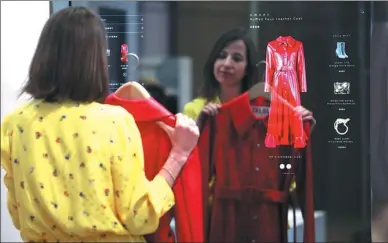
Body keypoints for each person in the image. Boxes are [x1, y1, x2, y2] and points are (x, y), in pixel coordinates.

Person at [0, 7, 199, 243]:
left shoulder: (14, 125)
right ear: (95, 59)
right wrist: (178, 154)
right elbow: (139, 216)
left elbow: (17, 212)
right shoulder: (114, 122)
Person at [183, 28, 316, 242]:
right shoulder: (195, 110)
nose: (227, 63)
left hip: (267, 224)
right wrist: (199, 128)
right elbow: (184, 167)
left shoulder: (274, 114)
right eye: (221, 55)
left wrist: (300, 136)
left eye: (236, 58)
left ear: (247, 68)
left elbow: (289, 179)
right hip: (218, 221)